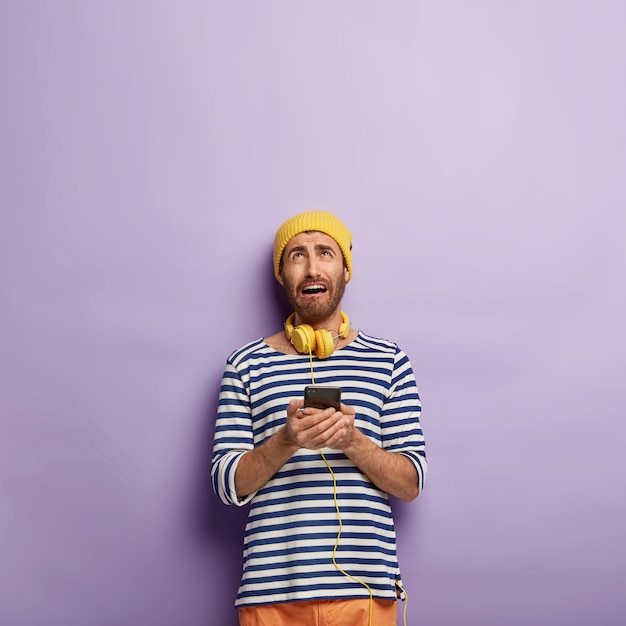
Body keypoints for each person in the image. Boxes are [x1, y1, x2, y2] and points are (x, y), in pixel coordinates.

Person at [211, 210, 427, 626]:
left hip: (364, 593)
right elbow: (226, 485)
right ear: (281, 274)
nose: (312, 267)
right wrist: (286, 440)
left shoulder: (390, 361)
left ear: (345, 268)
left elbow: (411, 482)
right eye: (297, 255)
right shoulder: (245, 364)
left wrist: (353, 442)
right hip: (271, 595)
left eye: (325, 253)